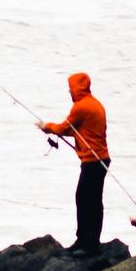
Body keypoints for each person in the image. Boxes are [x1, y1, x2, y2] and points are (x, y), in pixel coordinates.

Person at [40, 71, 110, 253]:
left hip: (94, 161)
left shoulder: (81, 107)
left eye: (70, 89)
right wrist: (52, 129)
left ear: (77, 89)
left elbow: (65, 127)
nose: (69, 92)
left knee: (88, 200)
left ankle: (89, 243)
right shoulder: (95, 104)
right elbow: (77, 131)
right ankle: (85, 240)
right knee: (89, 200)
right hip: (99, 159)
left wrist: (47, 127)